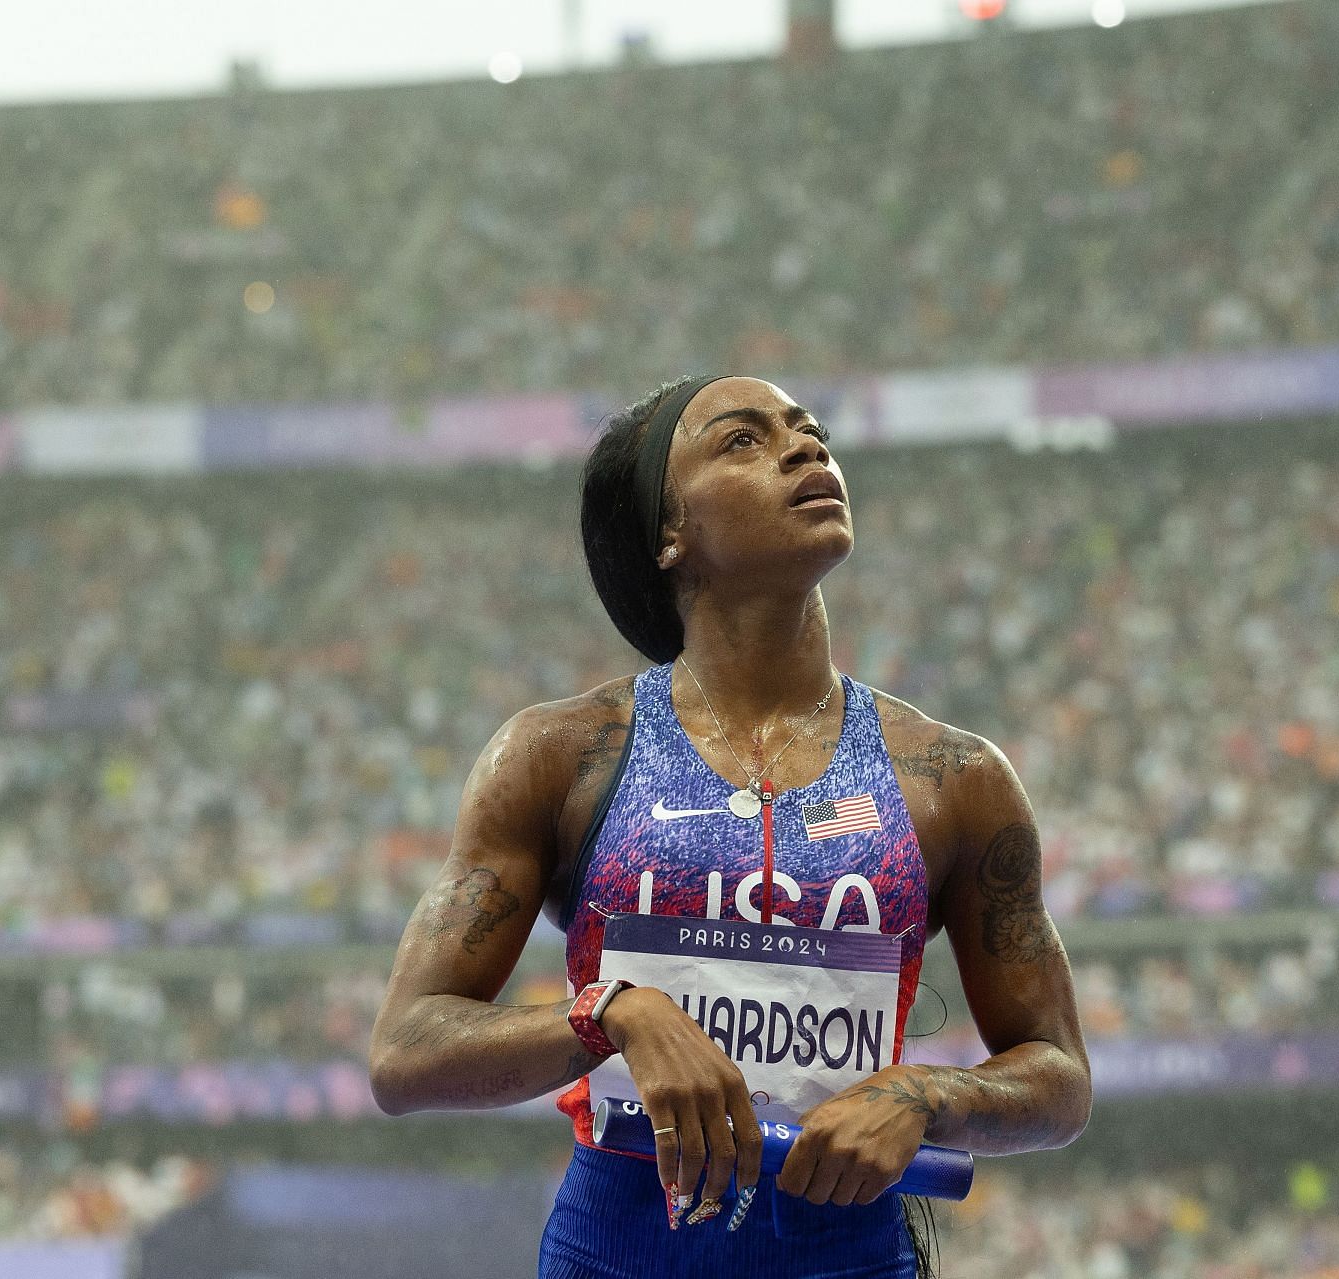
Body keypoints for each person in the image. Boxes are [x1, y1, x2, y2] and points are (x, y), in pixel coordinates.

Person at [368, 374, 1093, 1277]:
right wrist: (611, 1014)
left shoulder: (957, 779)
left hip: (851, 1258)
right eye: (743, 440)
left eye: (810, 428)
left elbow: (1059, 1076)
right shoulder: (559, 756)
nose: (806, 448)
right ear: (670, 534)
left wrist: (926, 1093)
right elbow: (406, 1052)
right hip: (616, 1254)